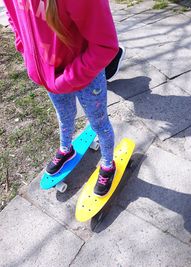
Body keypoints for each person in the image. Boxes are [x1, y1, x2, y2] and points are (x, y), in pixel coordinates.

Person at [3, 0, 124, 197]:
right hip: (49, 76)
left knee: (99, 123)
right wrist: (24, 49)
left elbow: (105, 45)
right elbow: (13, 15)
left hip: (86, 76)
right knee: (64, 116)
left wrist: (66, 80)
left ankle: (108, 165)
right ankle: (66, 149)